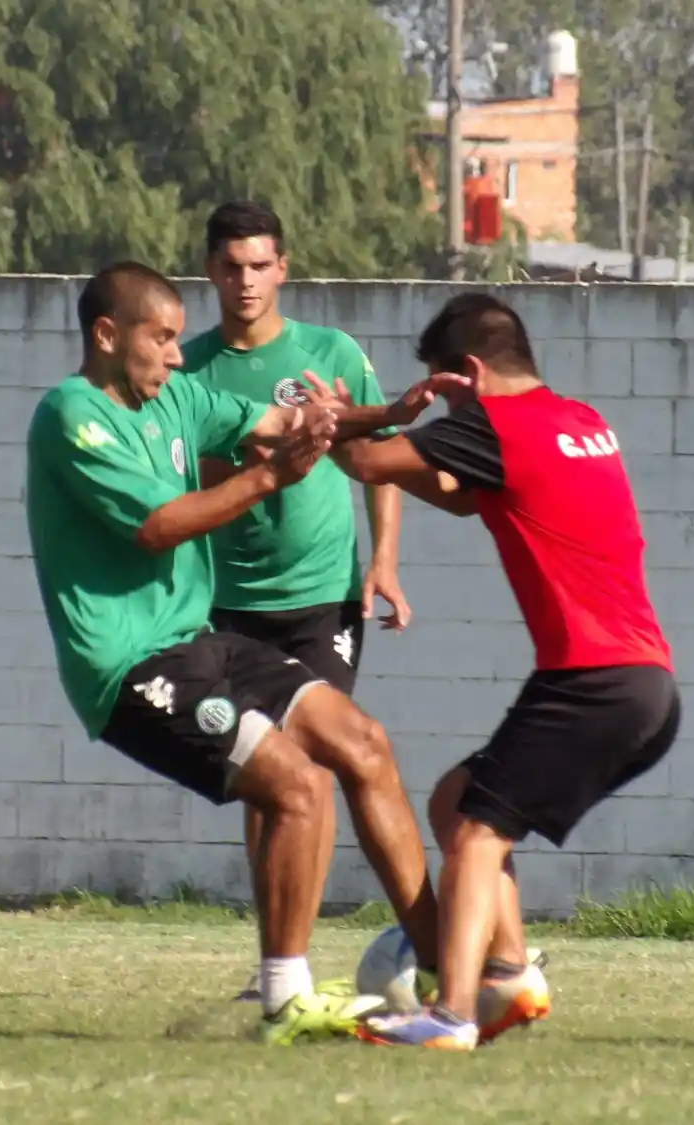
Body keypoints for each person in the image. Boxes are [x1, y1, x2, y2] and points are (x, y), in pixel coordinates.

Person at [23, 261, 449, 1045]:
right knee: (295, 785)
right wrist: (267, 480)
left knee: (363, 743)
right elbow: (157, 525)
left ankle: (448, 967)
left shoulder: (179, 397)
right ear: (108, 336)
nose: (180, 356)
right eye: (164, 339)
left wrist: (383, 413)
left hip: (200, 642)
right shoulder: (71, 416)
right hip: (129, 667)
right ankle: (286, 995)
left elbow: (280, 425)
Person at [317, 293, 682, 1052]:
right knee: (459, 803)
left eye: (442, 381)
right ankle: (510, 974)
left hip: (592, 678)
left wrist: (373, 413)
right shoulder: (579, 420)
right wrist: (435, 431)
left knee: (478, 833)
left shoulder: (491, 424)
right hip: (645, 683)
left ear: (469, 372)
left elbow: (363, 460)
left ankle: (451, 1012)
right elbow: (459, 499)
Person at [177, 201, 412, 999]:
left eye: (259, 265)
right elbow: (179, 480)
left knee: (316, 757)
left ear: (283, 267)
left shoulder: (328, 351)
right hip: (227, 601)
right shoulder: (188, 369)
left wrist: (383, 561)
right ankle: (279, 958)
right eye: (230, 265)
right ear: (210, 269)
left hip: (320, 600)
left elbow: (373, 460)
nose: (245, 280)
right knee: (269, 774)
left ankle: (300, 962)